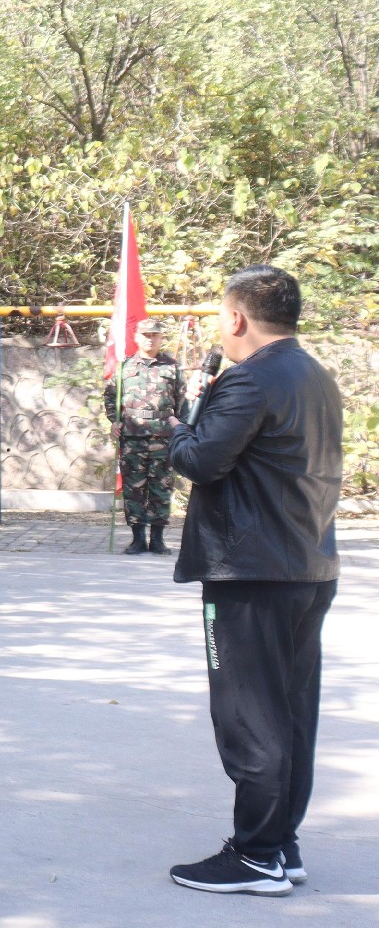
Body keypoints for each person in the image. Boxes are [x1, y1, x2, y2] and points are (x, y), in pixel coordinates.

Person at [166, 265, 343, 896]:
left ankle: (256, 855)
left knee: (248, 713)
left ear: (237, 318)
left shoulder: (250, 379)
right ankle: (280, 844)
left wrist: (181, 424)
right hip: (304, 566)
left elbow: (200, 460)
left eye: (222, 316)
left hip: (251, 573)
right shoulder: (313, 375)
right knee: (290, 711)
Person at [105, 316, 185, 555]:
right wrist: (114, 420)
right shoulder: (124, 367)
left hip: (163, 437)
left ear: (161, 338)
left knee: (161, 488)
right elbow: (111, 396)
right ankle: (138, 539)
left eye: (155, 335)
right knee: (134, 488)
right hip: (133, 437)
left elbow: (182, 401)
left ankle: (158, 539)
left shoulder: (172, 367)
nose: (150, 339)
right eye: (146, 335)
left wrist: (180, 428)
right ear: (137, 338)